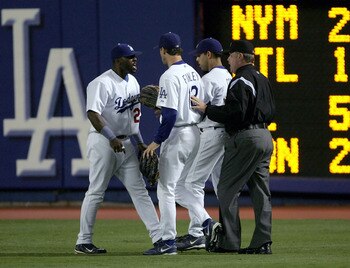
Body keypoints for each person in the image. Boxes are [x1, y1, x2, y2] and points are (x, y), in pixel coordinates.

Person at [74, 43, 162, 254]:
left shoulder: (133, 82)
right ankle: (83, 242)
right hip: (103, 143)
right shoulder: (101, 83)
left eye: (135, 56)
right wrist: (111, 137)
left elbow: (133, 119)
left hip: (127, 144)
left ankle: (159, 237)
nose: (135, 60)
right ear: (117, 61)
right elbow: (93, 113)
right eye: (130, 57)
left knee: (140, 191)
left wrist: (139, 142)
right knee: (96, 192)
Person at [191, 40, 275, 254]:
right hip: (265, 136)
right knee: (261, 192)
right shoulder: (262, 79)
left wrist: (207, 108)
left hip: (246, 138)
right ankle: (262, 242)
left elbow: (234, 113)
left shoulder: (240, 81)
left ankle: (229, 242)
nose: (227, 59)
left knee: (226, 188)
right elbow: (272, 110)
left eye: (230, 55)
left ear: (239, 56)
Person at [142, 32, 211, 255]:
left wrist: (156, 141)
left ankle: (168, 241)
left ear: (163, 50)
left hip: (178, 134)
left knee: (166, 190)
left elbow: (170, 115)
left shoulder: (169, 76)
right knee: (182, 187)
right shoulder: (193, 73)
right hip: (195, 133)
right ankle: (207, 222)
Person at [175, 38, 232, 251]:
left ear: (208, 54)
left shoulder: (209, 79)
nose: (197, 60)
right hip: (225, 134)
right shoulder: (228, 76)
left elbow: (194, 109)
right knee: (221, 188)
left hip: (212, 132)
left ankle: (206, 225)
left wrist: (167, 108)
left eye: (198, 55)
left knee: (185, 186)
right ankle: (202, 234)